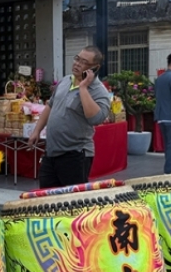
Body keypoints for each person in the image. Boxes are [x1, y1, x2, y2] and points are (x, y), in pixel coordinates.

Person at [27, 46, 111, 189]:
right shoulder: (66, 80)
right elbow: (50, 106)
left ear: (95, 68)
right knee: (47, 200)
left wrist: (83, 88)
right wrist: (37, 130)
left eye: (84, 62)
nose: (77, 63)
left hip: (75, 154)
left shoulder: (99, 91)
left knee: (72, 204)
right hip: (51, 152)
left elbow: (96, 118)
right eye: (77, 58)